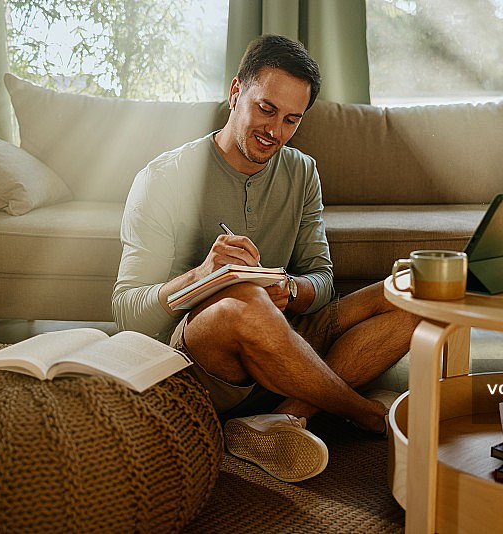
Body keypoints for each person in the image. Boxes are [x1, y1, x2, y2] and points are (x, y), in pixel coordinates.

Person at [112, 34, 420, 483]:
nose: (275, 131)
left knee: (414, 292)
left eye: (292, 120)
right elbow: (126, 310)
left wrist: (291, 290)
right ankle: (369, 414)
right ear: (236, 93)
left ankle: (282, 416)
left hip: (287, 337)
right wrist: (203, 276)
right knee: (244, 300)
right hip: (204, 360)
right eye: (266, 109)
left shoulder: (303, 171)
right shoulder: (165, 177)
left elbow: (322, 280)